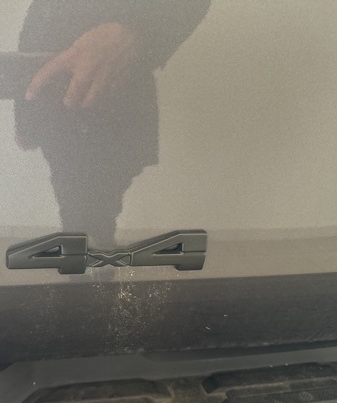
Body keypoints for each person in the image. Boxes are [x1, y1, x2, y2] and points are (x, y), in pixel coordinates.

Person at [15, 0, 210, 249]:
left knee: (106, 192)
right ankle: (81, 250)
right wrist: (24, 120)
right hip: (57, 108)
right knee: (70, 190)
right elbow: (30, 49)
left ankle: (96, 245)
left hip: (121, 103)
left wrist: (136, 32)